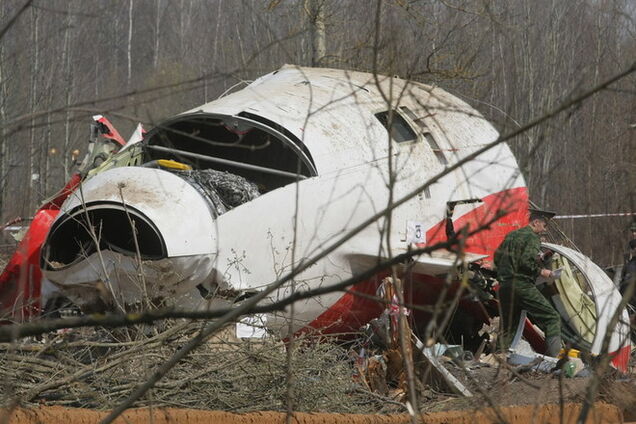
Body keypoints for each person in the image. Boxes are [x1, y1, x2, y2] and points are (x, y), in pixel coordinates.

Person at [494, 208, 562, 356]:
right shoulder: (532, 237)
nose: (545, 229)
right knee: (552, 317)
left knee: (508, 326)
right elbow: (525, 261)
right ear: (536, 222)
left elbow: (497, 258)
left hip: (504, 287)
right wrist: (542, 271)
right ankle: (556, 360)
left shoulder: (511, 235)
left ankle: (500, 358)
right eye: (544, 225)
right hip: (521, 285)